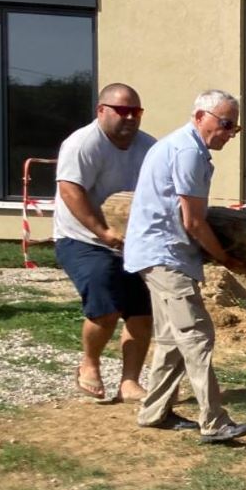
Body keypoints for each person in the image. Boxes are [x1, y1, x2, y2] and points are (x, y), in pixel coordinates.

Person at [123, 89, 246, 443]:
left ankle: (154, 412)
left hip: (158, 253)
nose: (229, 132)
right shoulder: (188, 152)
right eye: (225, 124)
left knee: (170, 338)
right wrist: (226, 259)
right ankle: (214, 421)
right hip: (165, 255)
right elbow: (194, 221)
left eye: (234, 128)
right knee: (197, 335)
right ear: (200, 117)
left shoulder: (182, 147)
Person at [52, 83, 156, 402]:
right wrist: (102, 231)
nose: (129, 118)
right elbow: (71, 191)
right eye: (122, 111)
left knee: (142, 311)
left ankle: (129, 382)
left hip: (128, 241)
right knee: (105, 303)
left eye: (135, 112)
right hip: (81, 238)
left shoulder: (149, 147)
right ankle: (89, 364)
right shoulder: (83, 144)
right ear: (101, 111)